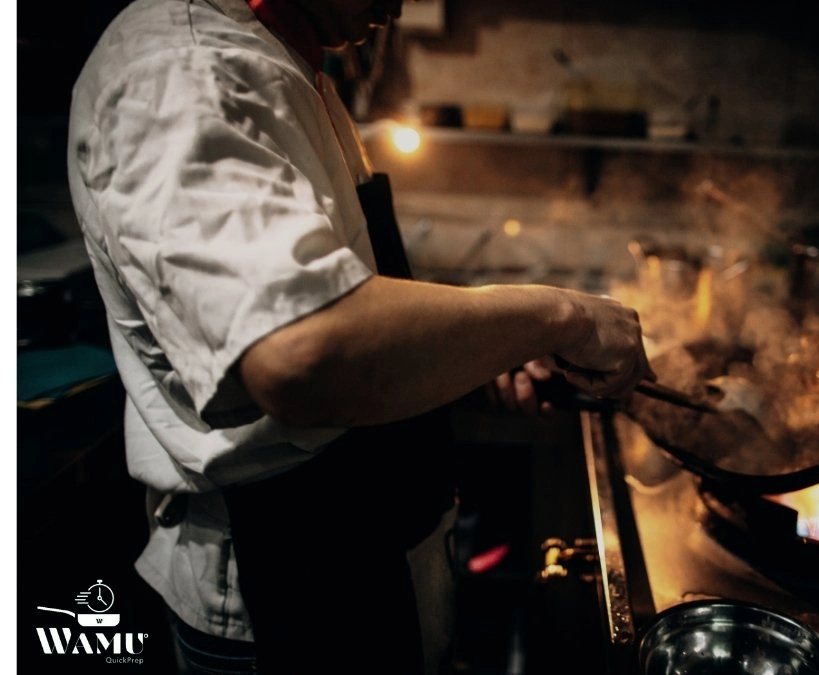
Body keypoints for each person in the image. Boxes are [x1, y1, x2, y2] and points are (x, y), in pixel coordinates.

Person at [65, 0, 653, 673]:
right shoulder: (183, 71)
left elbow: (348, 324)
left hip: (366, 564)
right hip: (284, 596)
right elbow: (303, 352)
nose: (406, 2)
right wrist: (561, 315)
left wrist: (476, 362)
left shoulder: (283, 59)